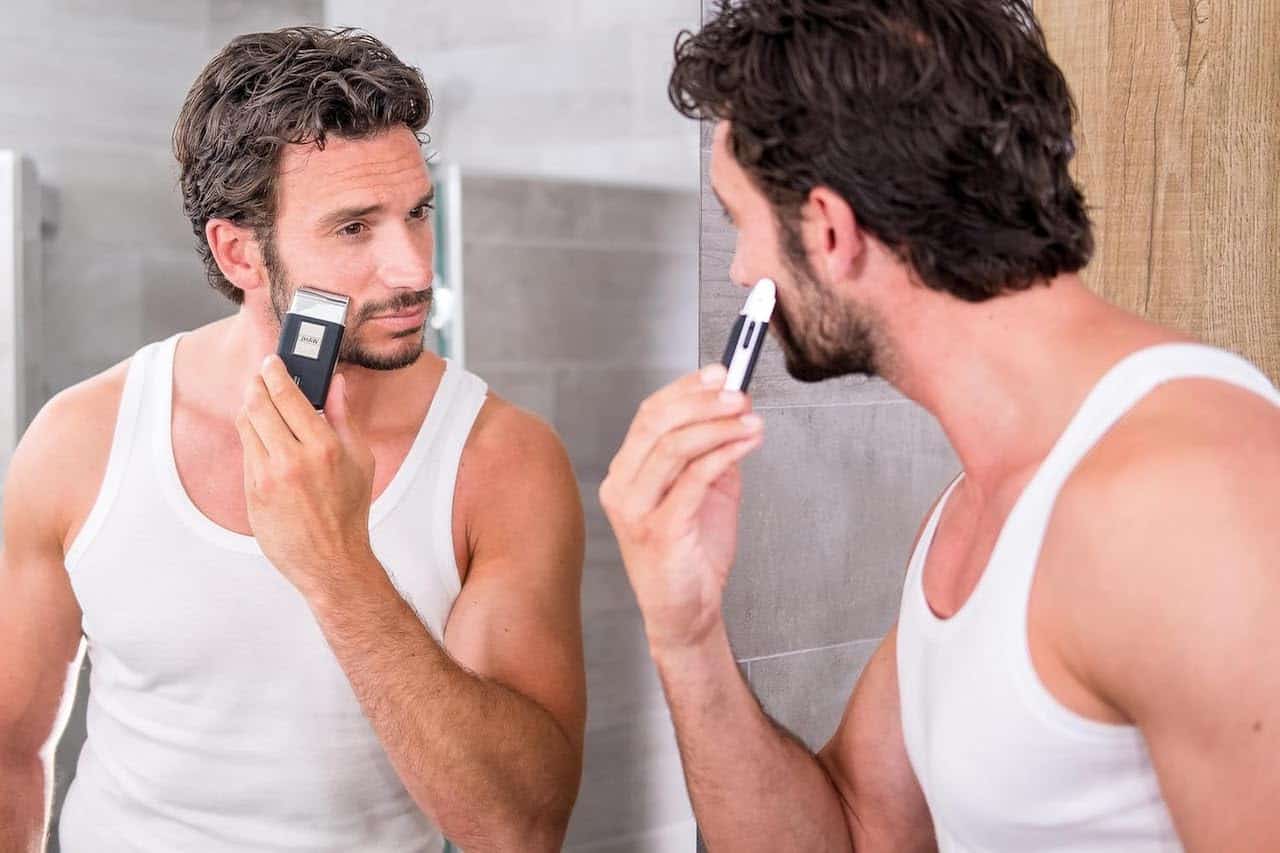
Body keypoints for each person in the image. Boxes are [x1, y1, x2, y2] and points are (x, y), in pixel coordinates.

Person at [600, 1, 1280, 850]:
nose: (741, 269)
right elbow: (853, 834)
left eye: (741, 222)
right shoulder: (973, 511)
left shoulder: (1187, 497)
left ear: (829, 230)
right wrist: (686, 632)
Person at [0, 28, 585, 852]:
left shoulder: (503, 461)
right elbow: (10, 750)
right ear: (239, 252)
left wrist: (338, 565)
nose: (413, 268)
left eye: (416, 212)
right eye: (354, 229)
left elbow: (520, 827)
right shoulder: (82, 439)